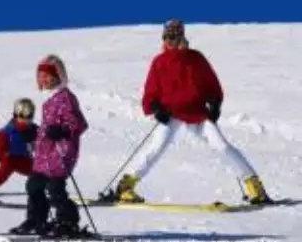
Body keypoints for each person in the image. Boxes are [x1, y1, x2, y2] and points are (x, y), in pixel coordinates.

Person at [112, 19, 272, 204]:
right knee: (156, 148)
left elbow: (212, 84)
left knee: (222, 147)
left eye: (176, 36)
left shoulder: (196, 58)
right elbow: (151, 91)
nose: (172, 41)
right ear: (164, 38)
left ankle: (254, 187)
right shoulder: (160, 62)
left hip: (197, 114)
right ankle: (126, 187)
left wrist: (215, 104)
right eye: (168, 37)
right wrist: (156, 108)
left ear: (182, 37)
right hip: (171, 115)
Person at [10, 55, 89, 237]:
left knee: (55, 188)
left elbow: (79, 123)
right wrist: (34, 135)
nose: (44, 80)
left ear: (59, 76)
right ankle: (36, 219)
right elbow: (46, 128)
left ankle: (68, 221)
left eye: (48, 75)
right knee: (34, 185)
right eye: (41, 76)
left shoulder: (66, 98)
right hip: (45, 153)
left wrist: (63, 130)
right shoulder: (49, 101)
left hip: (62, 151)